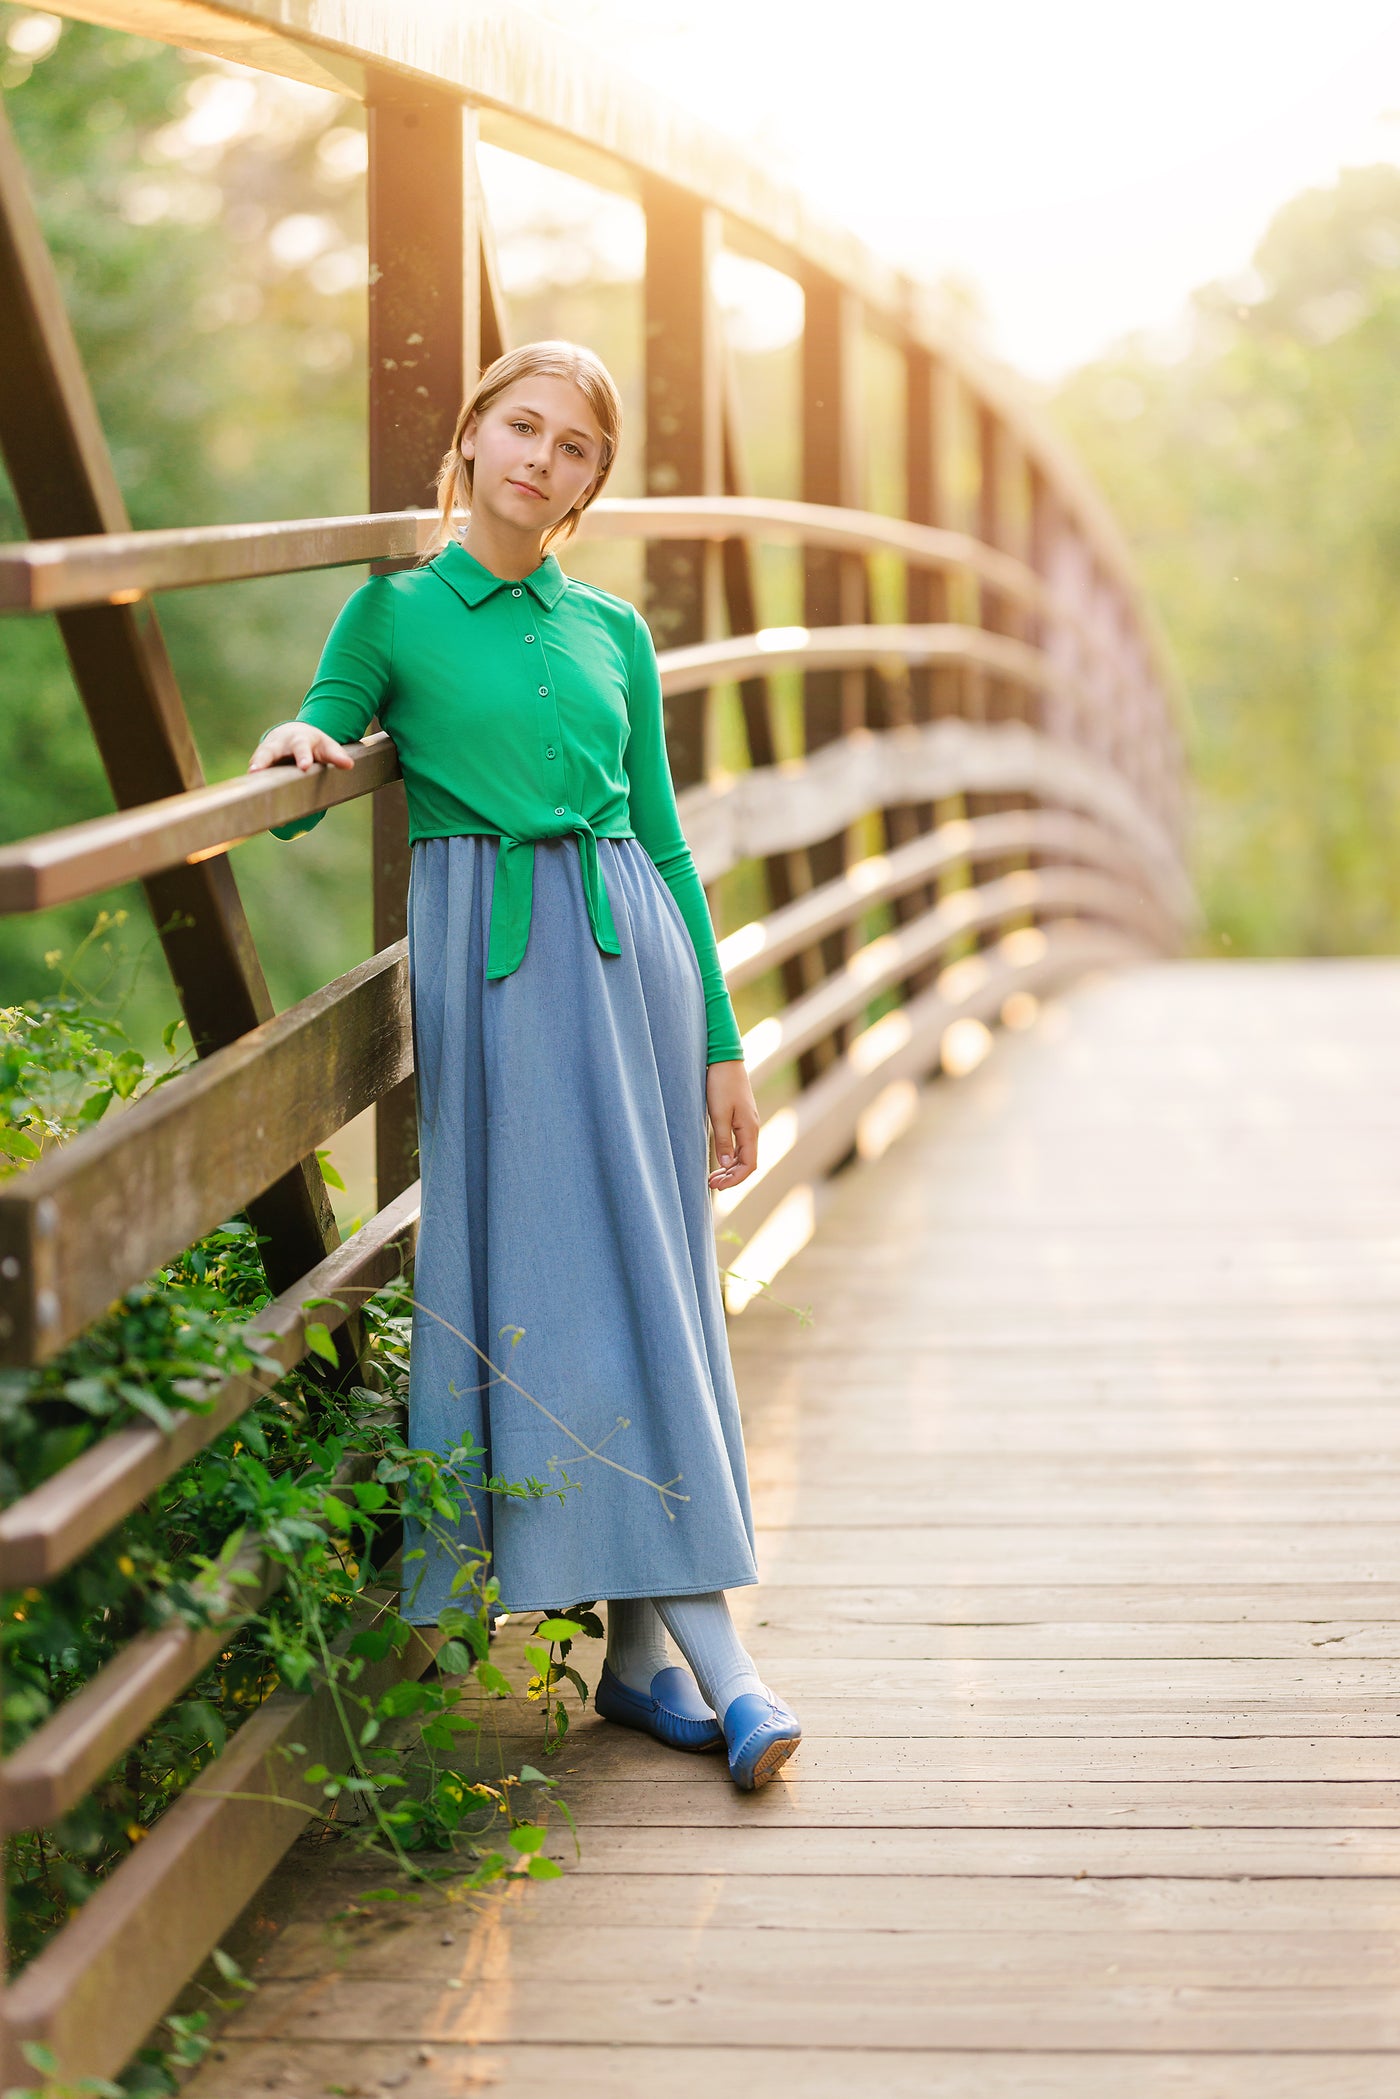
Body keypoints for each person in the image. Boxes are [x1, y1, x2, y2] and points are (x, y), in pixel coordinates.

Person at [248, 340, 801, 1792]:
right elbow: (316, 760)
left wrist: (726, 1047)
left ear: (590, 482)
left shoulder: (611, 626)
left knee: (653, 1287)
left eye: (573, 449)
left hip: (638, 967)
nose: (539, 463)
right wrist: (301, 740)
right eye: (521, 428)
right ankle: (728, 1670)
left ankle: (638, 1662)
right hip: (505, 987)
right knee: (578, 1299)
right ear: (474, 431)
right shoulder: (395, 610)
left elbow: (667, 842)